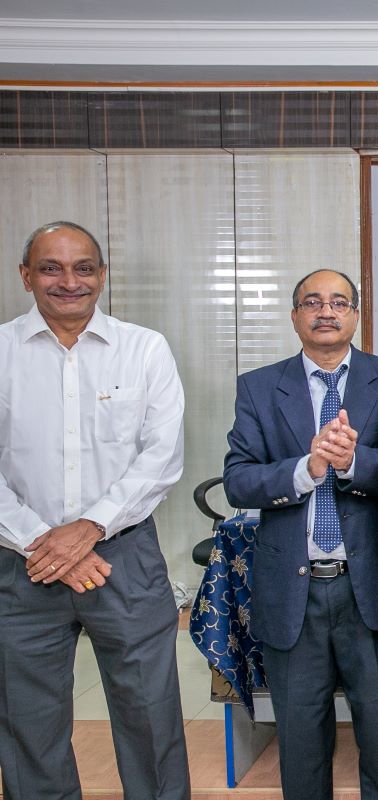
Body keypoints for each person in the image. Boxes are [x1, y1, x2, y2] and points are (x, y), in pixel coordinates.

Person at [0, 221, 190, 799]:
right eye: (51, 268)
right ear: (26, 276)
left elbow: (162, 456)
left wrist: (85, 531)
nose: (69, 281)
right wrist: (43, 541)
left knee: (150, 717)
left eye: (84, 268)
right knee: (29, 726)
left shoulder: (144, 348)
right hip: (22, 563)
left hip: (124, 558)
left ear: (102, 276)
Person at [223, 269, 378, 800]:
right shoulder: (259, 388)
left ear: (356, 315)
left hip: (368, 584)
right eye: (312, 302)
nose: (325, 311)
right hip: (293, 590)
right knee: (301, 741)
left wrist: (354, 463)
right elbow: (237, 479)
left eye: (338, 302)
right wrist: (305, 469)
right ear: (295, 317)